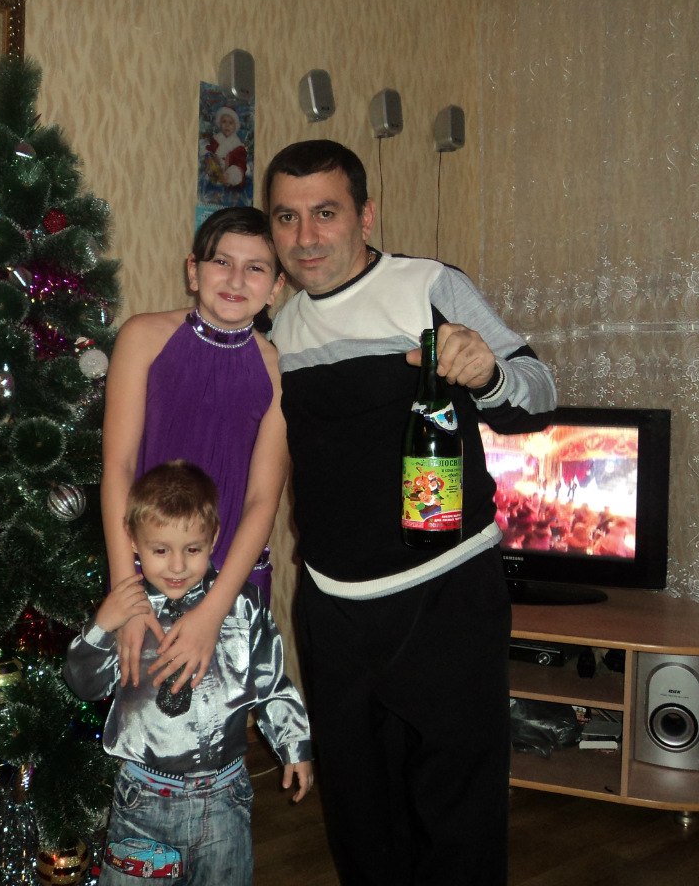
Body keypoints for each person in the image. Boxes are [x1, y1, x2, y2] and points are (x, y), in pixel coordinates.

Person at [264, 139, 558, 886]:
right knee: (359, 814)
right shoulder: (279, 333)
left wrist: (487, 373)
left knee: (458, 813)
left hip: (445, 593)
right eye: (287, 217)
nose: (306, 236)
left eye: (326, 213)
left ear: (365, 214)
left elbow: (539, 393)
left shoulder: (429, 286)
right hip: (334, 604)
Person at [63, 460, 313, 886]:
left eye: (193, 549)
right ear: (133, 541)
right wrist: (102, 624)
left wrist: (294, 744)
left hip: (226, 800)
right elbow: (83, 684)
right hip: (143, 801)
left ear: (214, 538)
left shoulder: (243, 606)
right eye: (161, 550)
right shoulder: (126, 614)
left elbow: (271, 683)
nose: (177, 567)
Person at [100, 206, 288, 696]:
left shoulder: (280, 370)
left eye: (255, 268)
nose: (235, 279)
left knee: (220, 721)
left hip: (231, 585)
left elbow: (263, 499)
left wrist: (213, 611)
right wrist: (127, 595)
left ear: (276, 287)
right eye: (221, 262)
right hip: (148, 568)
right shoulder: (142, 338)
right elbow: (118, 468)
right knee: (142, 714)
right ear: (192, 270)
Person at [203, 107, 248, 188]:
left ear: (235, 126)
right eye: (224, 122)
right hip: (214, 172)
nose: (227, 125)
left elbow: (240, 164)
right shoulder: (215, 140)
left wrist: (231, 174)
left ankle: (228, 178)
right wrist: (209, 159)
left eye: (230, 123)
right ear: (219, 124)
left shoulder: (238, 146)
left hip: (229, 175)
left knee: (235, 171)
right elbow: (209, 151)